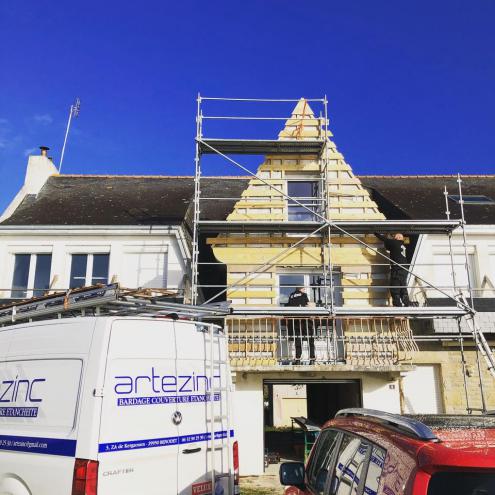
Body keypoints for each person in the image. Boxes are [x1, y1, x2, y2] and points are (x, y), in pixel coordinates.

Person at [375, 233, 410, 307]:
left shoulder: (394, 242)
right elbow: (388, 248)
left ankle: (397, 304)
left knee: (395, 285)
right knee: (402, 285)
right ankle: (406, 302)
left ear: (398, 237)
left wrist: (375, 232)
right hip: (404, 269)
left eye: (395, 236)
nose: (393, 237)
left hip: (397, 268)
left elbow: (384, 239)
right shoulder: (402, 245)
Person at [286, 287, 315, 363]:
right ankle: (312, 359)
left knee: (298, 341)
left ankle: (298, 359)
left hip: (295, 321)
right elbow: (308, 306)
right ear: (301, 289)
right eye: (304, 289)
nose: (304, 290)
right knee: (310, 340)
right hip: (306, 321)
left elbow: (288, 306)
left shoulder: (291, 295)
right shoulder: (304, 295)